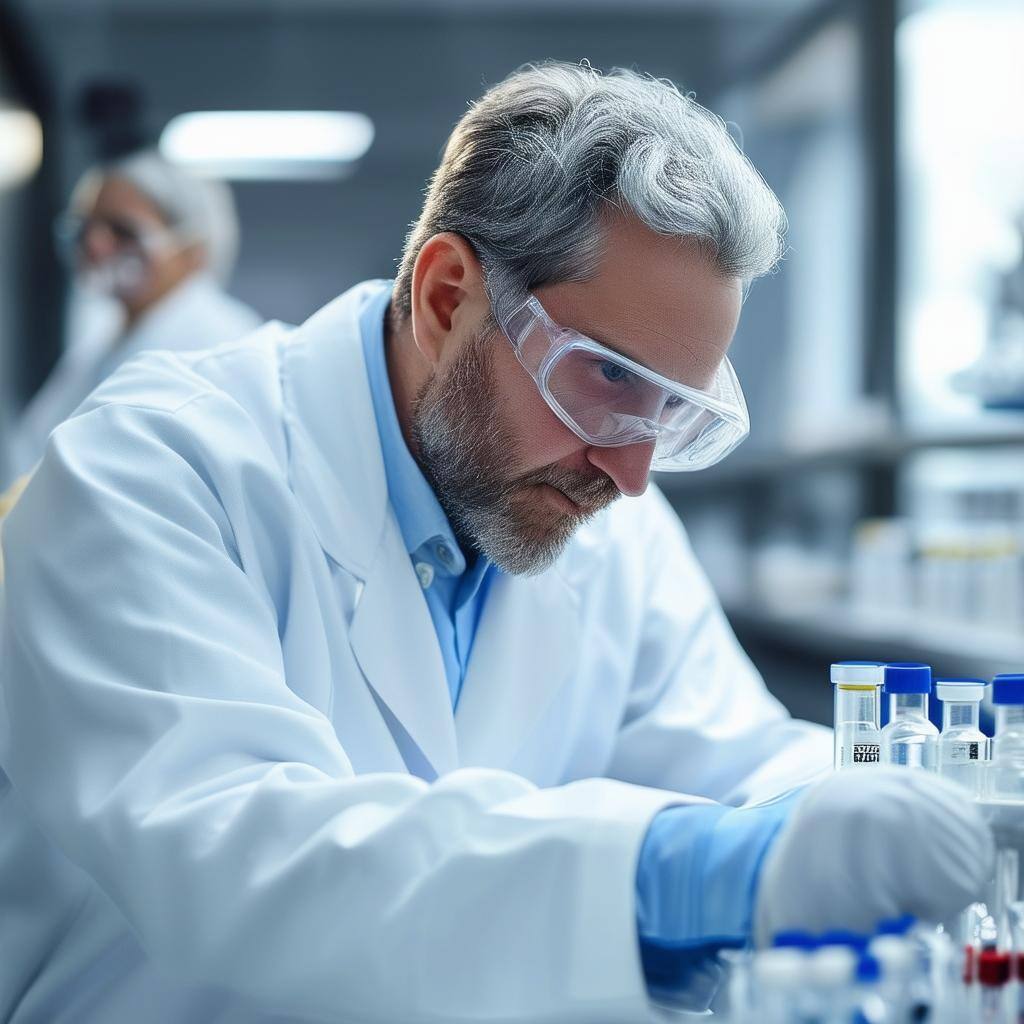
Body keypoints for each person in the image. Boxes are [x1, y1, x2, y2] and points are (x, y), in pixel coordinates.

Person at [0, 62, 991, 1023]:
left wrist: (866, 805)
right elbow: (238, 856)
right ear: (445, 299)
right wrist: (685, 872)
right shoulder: (152, 472)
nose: (632, 473)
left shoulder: (611, 521)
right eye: (608, 382)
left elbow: (735, 766)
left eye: (670, 415)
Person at [3, 149, 261, 487]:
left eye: (123, 230)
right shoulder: (101, 339)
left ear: (193, 246)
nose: (94, 245)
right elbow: (35, 449)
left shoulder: (225, 340)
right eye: (85, 228)